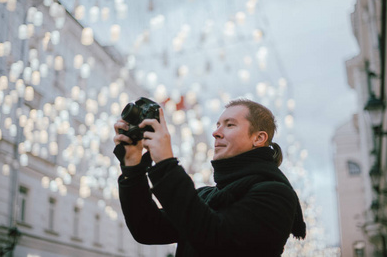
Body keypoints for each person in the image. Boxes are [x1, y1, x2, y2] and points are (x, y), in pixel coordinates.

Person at [113, 98, 306, 257]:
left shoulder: (275, 193)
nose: (216, 133)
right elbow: (147, 228)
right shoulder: (207, 196)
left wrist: (165, 163)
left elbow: (216, 239)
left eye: (230, 125)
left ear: (258, 138)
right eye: (217, 125)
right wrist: (133, 166)